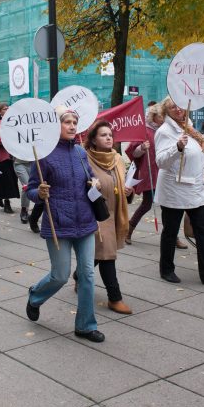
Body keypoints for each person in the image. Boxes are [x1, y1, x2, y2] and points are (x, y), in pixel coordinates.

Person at [25, 107, 104, 343]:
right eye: (66, 122)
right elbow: (30, 189)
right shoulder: (44, 155)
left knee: (87, 274)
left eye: (75, 122)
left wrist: (95, 183)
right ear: (55, 126)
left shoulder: (81, 152)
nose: (71, 126)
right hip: (59, 224)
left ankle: (86, 325)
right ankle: (35, 296)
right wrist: (39, 193)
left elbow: (90, 177)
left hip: (86, 222)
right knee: (60, 275)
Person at [154, 97, 204, 286]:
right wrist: (177, 147)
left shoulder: (190, 127)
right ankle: (166, 269)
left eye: (179, 106)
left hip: (196, 188)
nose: (178, 109)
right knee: (170, 231)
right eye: (172, 107)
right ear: (166, 111)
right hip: (174, 189)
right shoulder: (164, 131)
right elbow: (160, 161)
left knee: (203, 230)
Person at [84, 119, 133, 314]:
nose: (108, 138)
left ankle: (79, 276)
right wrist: (91, 188)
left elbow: (120, 184)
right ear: (94, 140)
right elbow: (81, 189)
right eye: (103, 135)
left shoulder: (118, 159)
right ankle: (115, 298)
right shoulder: (85, 159)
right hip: (97, 213)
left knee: (101, 253)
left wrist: (127, 190)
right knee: (107, 255)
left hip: (116, 213)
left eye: (110, 135)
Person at [125, 103, 166, 245]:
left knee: (169, 206)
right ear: (154, 116)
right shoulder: (144, 131)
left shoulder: (165, 130)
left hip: (164, 173)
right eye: (161, 115)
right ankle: (129, 229)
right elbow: (133, 152)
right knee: (147, 204)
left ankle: (172, 237)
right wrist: (142, 147)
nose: (163, 118)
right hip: (150, 173)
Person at [0, 103, 20, 213]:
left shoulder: (13, 121)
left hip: (12, 155)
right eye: (4, 109)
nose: (7, 110)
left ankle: (2, 197)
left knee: (12, 179)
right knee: (4, 179)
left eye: (8, 108)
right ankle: (6, 202)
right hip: (1, 155)